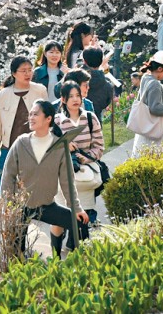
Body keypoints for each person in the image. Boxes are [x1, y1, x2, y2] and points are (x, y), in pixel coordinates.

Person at [1, 100, 89, 258]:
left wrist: (76, 208)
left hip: (47, 206)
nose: (31, 117)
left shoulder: (59, 146)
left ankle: (59, 260)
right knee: (15, 253)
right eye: (30, 114)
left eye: (35, 114)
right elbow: (8, 177)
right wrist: (8, 207)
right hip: (21, 207)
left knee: (80, 224)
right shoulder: (21, 143)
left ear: (48, 119)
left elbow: (67, 182)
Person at [53, 81, 105, 239]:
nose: (75, 99)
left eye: (78, 95)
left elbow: (99, 146)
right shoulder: (57, 121)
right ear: (63, 99)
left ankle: (78, 244)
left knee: (84, 215)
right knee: (62, 216)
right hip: (63, 175)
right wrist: (64, 146)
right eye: (71, 96)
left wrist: (85, 158)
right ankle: (61, 245)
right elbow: (49, 148)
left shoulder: (90, 117)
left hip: (85, 175)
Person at [0, 56, 49, 185]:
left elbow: (48, 120)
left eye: (30, 70)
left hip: (35, 147)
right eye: (23, 70)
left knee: (34, 186)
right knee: (5, 187)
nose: (28, 74)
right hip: (9, 148)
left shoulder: (40, 90)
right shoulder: (4, 94)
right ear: (14, 73)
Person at [131, 51, 163, 155]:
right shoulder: (155, 84)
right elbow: (155, 108)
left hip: (143, 128)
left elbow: (150, 94)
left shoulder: (146, 77)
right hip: (152, 132)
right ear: (160, 69)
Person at [79, 46, 114, 120]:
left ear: (84, 61)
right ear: (101, 61)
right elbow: (106, 103)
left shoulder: (75, 78)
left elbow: (58, 91)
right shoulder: (107, 85)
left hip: (74, 121)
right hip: (96, 120)